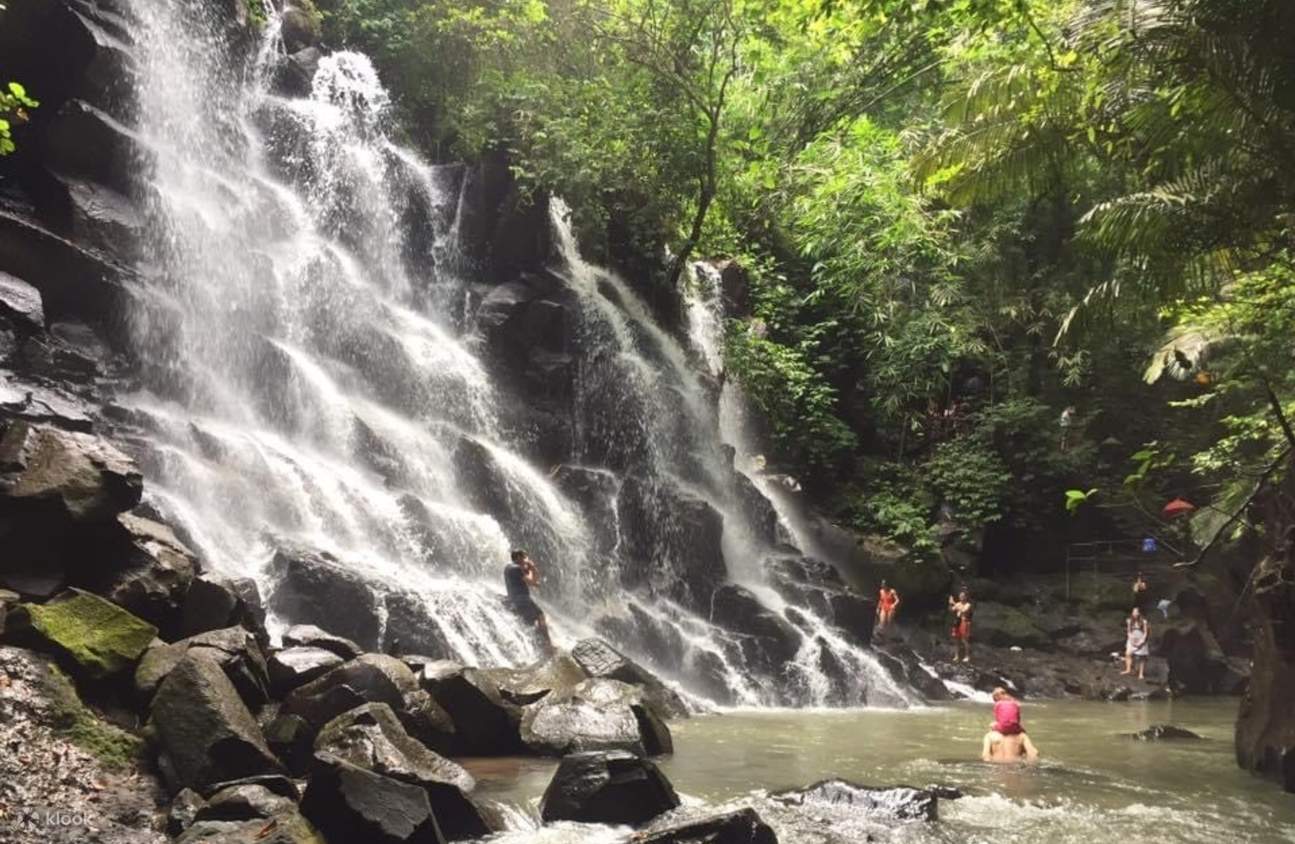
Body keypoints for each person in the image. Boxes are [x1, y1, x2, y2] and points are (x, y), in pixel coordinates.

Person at [504, 549, 553, 653]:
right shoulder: (517, 568)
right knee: (540, 616)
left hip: (513, 600)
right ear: (517, 557)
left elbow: (533, 581)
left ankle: (537, 649)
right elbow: (533, 582)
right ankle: (548, 645)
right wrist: (533, 567)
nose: (526, 560)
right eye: (524, 557)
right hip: (523, 599)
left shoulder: (508, 568)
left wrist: (529, 569)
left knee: (530, 623)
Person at [1122, 606, 1150, 679]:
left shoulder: (1144, 621)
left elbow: (1146, 633)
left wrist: (1142, 641)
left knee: (1141, 657)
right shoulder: (1129, 620)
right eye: (1133, 612)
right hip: (1132, 638)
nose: (1134, 613)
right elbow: (1128, 631)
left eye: (1136, 612)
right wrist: (1131, 638)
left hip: (1141, 639)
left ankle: (1141, 673)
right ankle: (1128, 669)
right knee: (1128, 653)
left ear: (1139, 613)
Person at [949, 590, 974, 663]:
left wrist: (954, 603)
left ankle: (967, 656)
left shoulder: (968, 604)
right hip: (957, 621)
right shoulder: (958, 603)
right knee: (956, 639)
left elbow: (964, 611)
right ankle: (956, 656)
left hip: (964, 622)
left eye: (963, 596)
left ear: (966, 597)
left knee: (964, 640)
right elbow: (951, 610)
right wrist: (950, 603)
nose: (961, 597)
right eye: (960, 595)